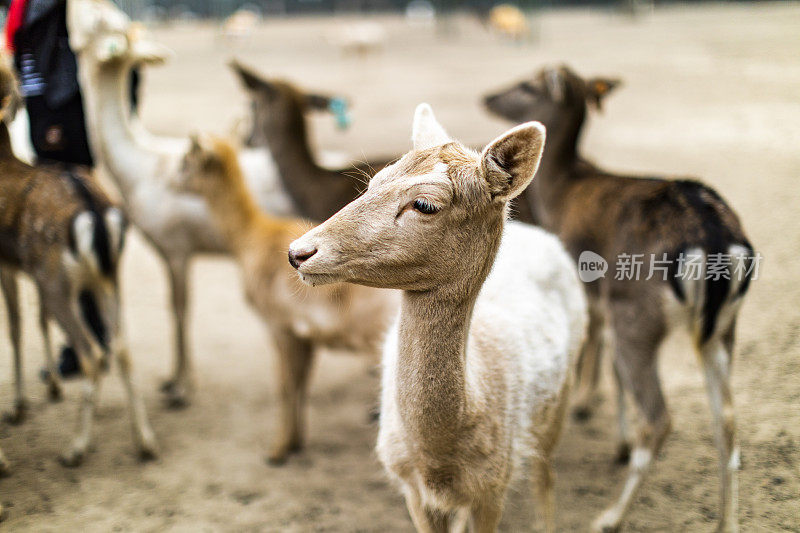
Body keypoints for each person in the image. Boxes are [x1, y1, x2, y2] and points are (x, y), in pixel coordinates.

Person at [4, 0, 138, 378]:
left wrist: (55, 116)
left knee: (73, 231)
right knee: (68, 240)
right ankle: (87, 340)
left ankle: (87, 342)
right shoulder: (24, 7)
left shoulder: (55, 5)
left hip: (60, 118)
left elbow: (66, 58)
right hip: (43, 111)